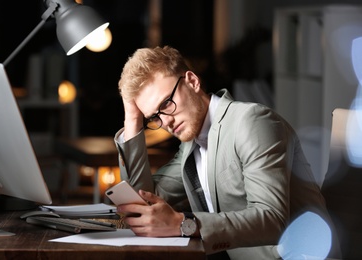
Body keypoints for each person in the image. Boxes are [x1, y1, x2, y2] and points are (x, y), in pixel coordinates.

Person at [113, 46, 340, 259]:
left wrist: (184, 223)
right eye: (154, 117)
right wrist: (132, 121)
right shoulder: (192, 145)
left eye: (167, 103)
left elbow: (272, 220)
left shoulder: (251, 121)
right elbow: (142, 203)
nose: (165, 121)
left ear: (192, 81)